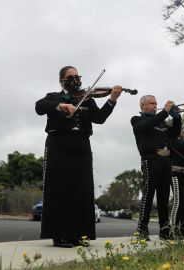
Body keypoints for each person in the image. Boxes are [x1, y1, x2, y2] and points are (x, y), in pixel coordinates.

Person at [35, 66, 122, 248]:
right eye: (70, 77)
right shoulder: (54, 97)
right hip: (58, 146)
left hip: (81, 147)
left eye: (77, 76)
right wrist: (61, 106)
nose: (75, 79)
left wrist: (112, 99)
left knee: (82, 190)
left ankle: (80, 234)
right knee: (59, 189)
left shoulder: (87, 99)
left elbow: (99, 118)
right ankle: (59, 235)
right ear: (62, 81)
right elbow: (39, 107)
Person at [130, 95, 181, 240]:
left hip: (166, 161)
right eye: (151, 103)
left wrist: (177, 118)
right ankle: (142, 229)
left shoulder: (162, 123)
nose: (154, 105)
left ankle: (165, 230)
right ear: (142, 106)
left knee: (163, 197)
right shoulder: (137, 120)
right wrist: (164, 112)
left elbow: (174, 134)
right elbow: (147, 125)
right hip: (150, 160)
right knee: (148, 195)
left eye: (156, 103)